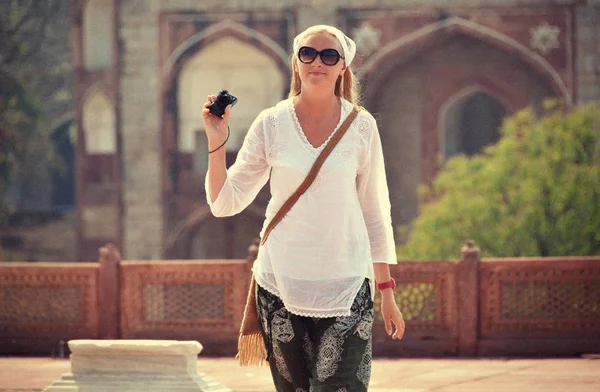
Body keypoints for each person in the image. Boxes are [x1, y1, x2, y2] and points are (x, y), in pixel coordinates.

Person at [202, 24, 405, 392]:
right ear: (295, 62)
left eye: (329, 56)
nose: (317, 63)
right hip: (281, 281)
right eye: (307, 54)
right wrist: (217, 144)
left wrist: (386, 291)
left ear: (343, 66)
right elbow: (224, 202)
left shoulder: (361, 127)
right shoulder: (272, 124)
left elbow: (375, 213)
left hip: (346, 283)